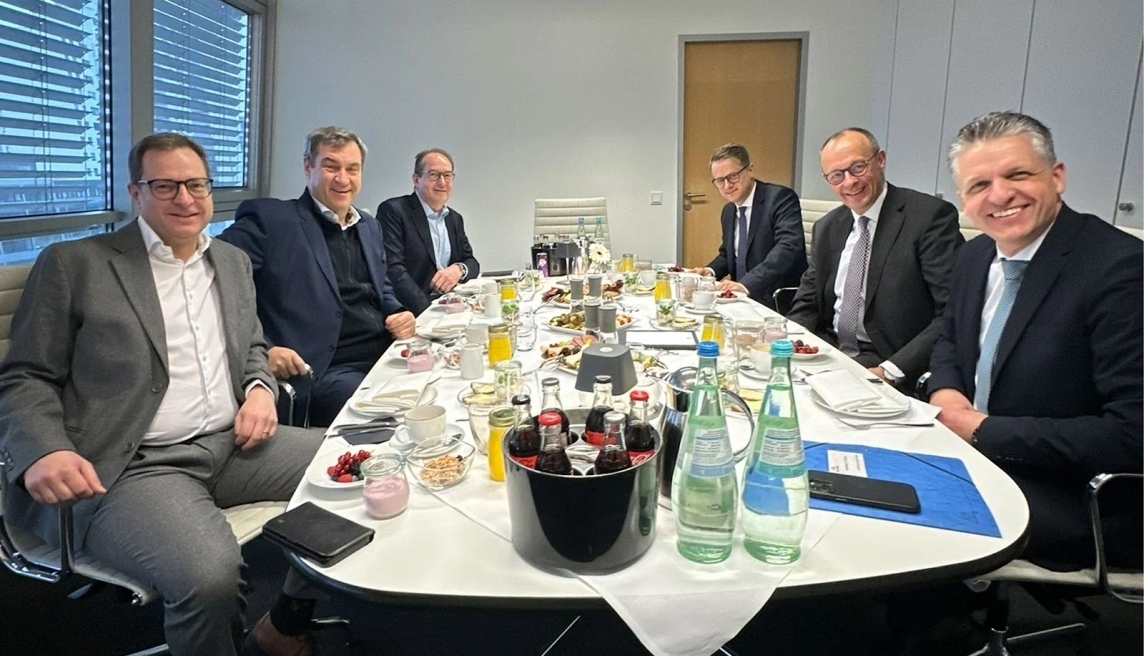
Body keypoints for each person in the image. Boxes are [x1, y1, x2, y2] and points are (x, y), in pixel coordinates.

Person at [0, 133, 323, 655]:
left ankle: (283, 622)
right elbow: (25, 375)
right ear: (135, 192)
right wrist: (45, 449)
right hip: (133, 466)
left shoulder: (231, 261)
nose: (185, 199)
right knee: (209, 578)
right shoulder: (75, 263)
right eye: (165, 186)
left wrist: (260, 390)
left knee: (368, 469)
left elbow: (251, 346)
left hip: (233, 445)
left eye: (196, 184)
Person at [928, 111, 1143, 571]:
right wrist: (945, 393)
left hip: (1077, 493)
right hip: (978, 458)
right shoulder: (975, 255)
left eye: (1017, 174)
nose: (999, 195)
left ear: (1057, 176)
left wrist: (980, 429)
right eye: (979, 185)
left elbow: (1133, 434)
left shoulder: (1121, 270)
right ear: (963, 200)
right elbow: (950, 338)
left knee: (907, 527)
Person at [220, 126, 416, 427]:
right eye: (330, 166)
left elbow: (382, 286)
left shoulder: (368, 226)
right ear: (307, 167)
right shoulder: (272, 221)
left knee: (448, 386)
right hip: (326, 368)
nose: (343, 179)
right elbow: (215, 280)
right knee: (395, 421)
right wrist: (262, 349)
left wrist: (397, 311)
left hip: (385, 352)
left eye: (352, 169)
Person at [786, 128, 963, 387]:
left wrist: (890, 371)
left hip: (887, 358)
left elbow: (952, 312)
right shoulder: (827, 227)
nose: (849, 182)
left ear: (880, 160)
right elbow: (808, 301)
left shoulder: (929, 218)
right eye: (836, 175)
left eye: (858, 167)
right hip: (827, 350)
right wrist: (790, 342)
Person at [691, 143, 807, 308]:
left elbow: (788, 247)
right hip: (739, 297)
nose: (727, 186)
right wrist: (709, 271)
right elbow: (728, 255)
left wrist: (746, 285)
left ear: (750, 170)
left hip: (773, 296)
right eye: (720, 180)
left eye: (733, 176)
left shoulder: (779, 198)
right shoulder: (729, 210)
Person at [377, 148, 480, 315]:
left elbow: (472, 262)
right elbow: (394, 270)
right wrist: (429, 311)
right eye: (434, 175)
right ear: (416, 179)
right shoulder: (394, 211)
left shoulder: (454, 219)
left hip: (452, 307)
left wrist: (459, 269)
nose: (442, 182)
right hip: (413, 312)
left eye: (447, 175)